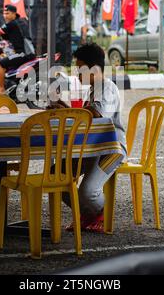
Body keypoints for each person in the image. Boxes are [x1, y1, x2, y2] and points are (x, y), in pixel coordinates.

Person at [48, 43, 127, 232]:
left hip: (110, 150)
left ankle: (99, 212)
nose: (76, 73)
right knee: (55, 175)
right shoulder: (93, 89)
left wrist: (67, 110)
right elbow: (86, 117)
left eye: (80, 68)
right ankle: (87, 214)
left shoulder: (107, 88)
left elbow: (96, 115)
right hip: (90, 148)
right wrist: (65, 108)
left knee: (88, 192)